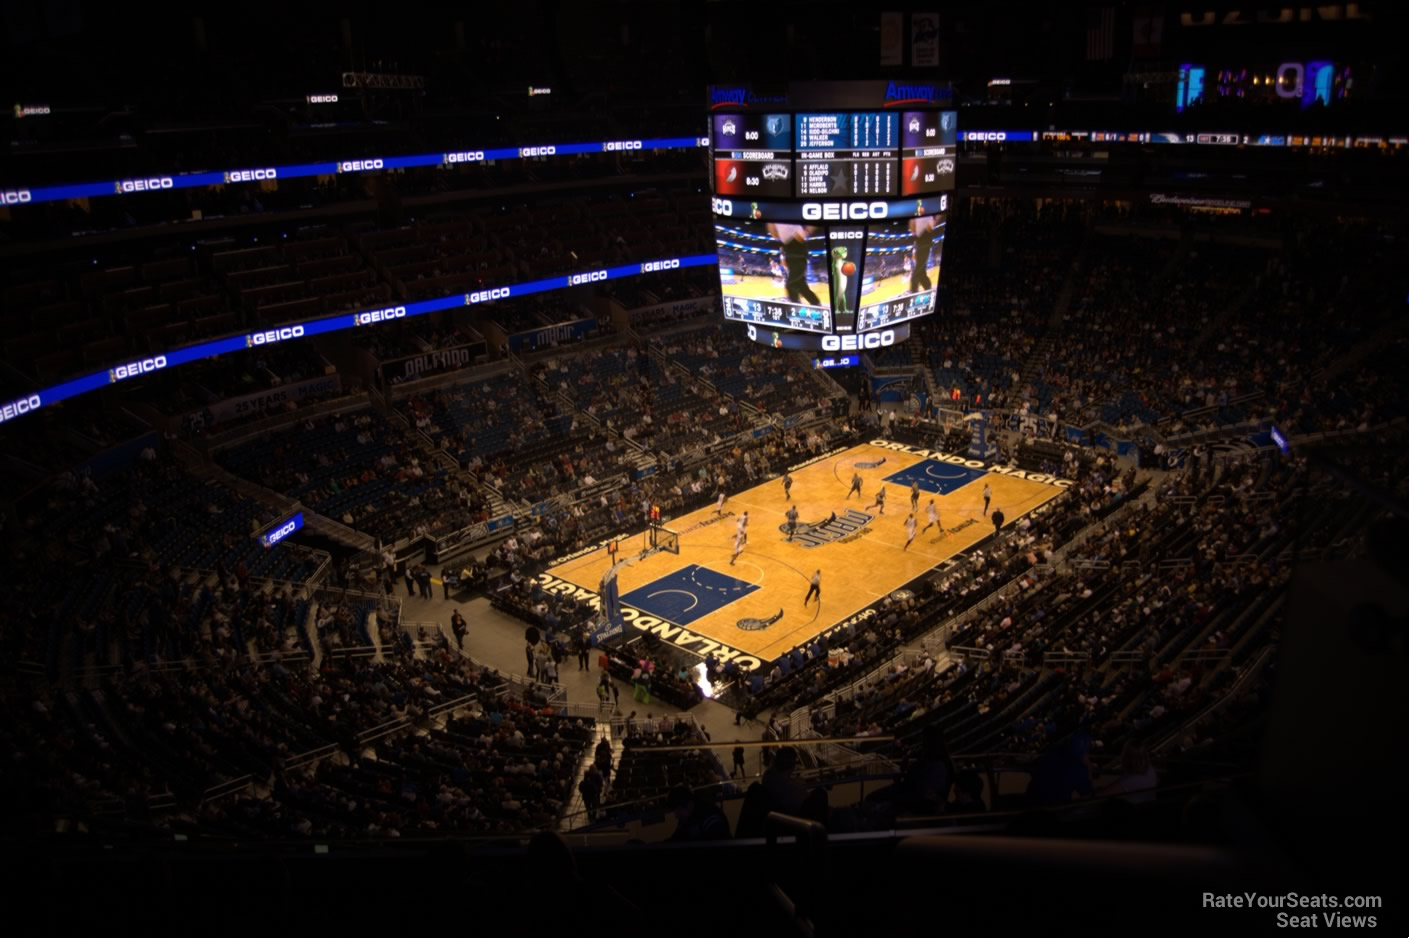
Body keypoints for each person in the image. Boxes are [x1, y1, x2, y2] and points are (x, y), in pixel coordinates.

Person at [767, 223, 822, 307]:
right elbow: (775, 233)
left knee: (791, 285)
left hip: (797, 246)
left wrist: (806, 231)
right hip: (789, 249)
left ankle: (796, 308)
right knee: (800, 284)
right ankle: (816, 303)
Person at [666, 787, 731, 841]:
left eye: (679, 812)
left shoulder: (710, 816)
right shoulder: (686, 816)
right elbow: (677, 838)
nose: (676, 816)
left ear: (689, 805)